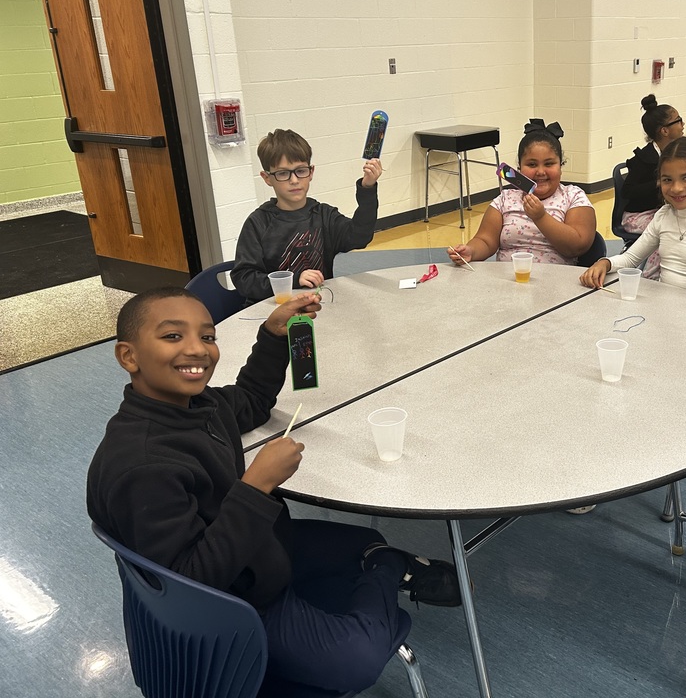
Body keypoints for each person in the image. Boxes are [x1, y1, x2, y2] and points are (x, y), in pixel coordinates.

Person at [87, 288, 462, 694]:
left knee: (367, 539)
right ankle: (389, 571)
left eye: (208, 337)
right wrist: (257, 486)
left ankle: (382, 560)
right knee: (358, 661)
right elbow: (191, 583)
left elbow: (251, 401)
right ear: (129, 356)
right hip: (232, 601)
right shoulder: (144, 466)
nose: (197, 349)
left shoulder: (197, 405)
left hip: (254, 552)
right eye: (173, 337)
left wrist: (272, 335)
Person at [579, 137, 686, 302]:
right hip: (663, 309)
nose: (676, 188)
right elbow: (632, 258)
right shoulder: (664, 215)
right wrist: (604, 264)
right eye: (667, 180)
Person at [232, 129, 381, 303]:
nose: (294, 180)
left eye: (300, 171)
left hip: (318, 308)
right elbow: (244, 278)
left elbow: (359, 237)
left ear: (311, 172)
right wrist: (294, 281)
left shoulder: (324, 215)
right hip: (273, 313)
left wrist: (367, 189)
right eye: (282, 173)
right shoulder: (258, 223)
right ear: (267, 178)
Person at [447, 120, 596, 266]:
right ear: (519, 168)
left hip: (555, 283)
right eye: (531, 164)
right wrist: (471, 251)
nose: (540, 172)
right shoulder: (505, 199)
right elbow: (485, 240)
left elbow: (577, 246)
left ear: (560, 166)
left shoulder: (573, 197)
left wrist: (541, 217)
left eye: (549, 163)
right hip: (509, 281)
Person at [619, 94, 686, 279]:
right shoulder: (644, 159)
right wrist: (658, 183)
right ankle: (651, 278)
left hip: (656, 212)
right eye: (678, 121)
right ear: (665, 131)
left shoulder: (673, 153)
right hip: (636, 216)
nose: (683, 125)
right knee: (667, 232)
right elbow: (628, 191)